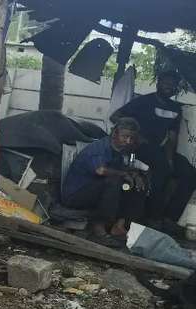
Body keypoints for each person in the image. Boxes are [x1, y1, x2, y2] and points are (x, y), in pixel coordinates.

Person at [111, 70, 196, 233]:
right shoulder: (143, 102)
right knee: (161, 169)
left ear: (176, 88)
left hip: (161, 149)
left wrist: (171, 159)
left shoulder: (175, 109)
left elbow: (171, 137)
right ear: (158, 83)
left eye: (172, 85)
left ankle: (170, 217)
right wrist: (135, 134)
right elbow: (115, 116)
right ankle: (153, 217)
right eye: (166, 82)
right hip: (140, 147)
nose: (168, 87)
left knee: (189, 173)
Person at [63, 118, 147, 247]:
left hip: (97, 192)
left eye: (131, 138)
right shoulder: (99, 148)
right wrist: (125, 174)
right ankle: (98, 230)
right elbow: (101, 171)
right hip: (76, 195)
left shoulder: (119, 152)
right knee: (113, 182)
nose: (128, 141)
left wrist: (134, 175)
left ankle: (119, 225)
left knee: (136, 186)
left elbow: (121, 170)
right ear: (114, 133)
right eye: (125, 136)